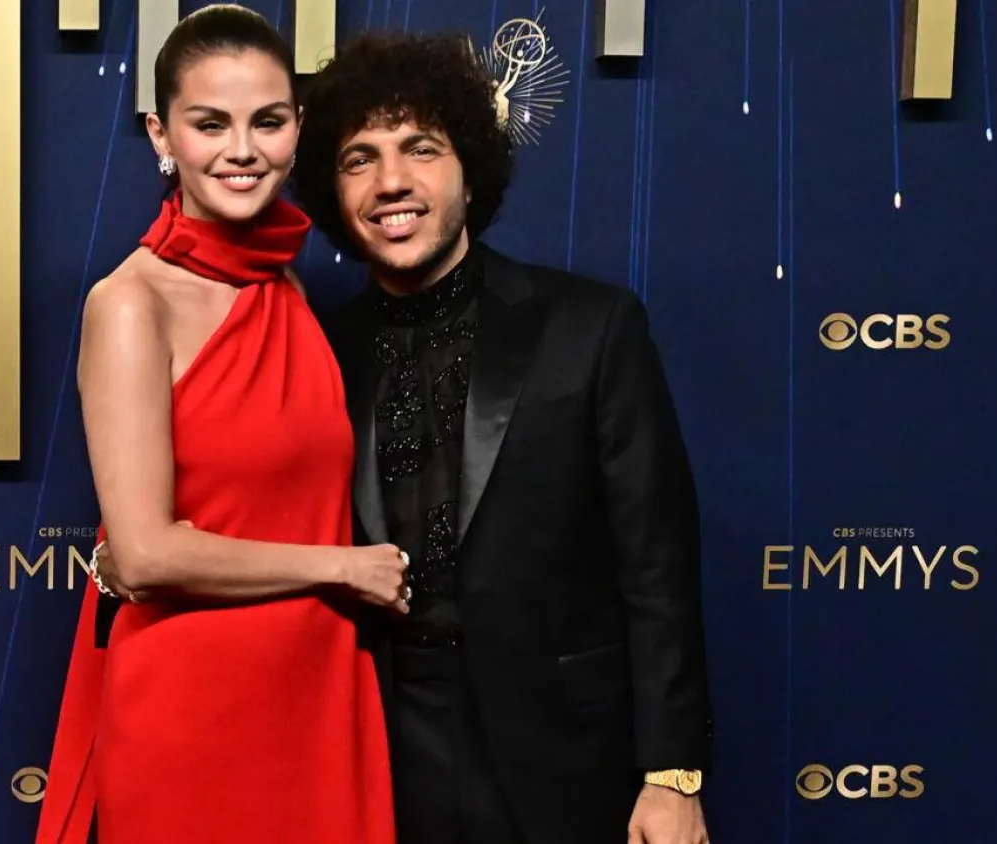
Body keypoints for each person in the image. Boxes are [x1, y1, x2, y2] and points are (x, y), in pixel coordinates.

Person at [288, 31, 715, 844]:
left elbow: (657, 566)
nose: (391, 183)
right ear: (330, 190)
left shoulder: (591, 327)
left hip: (563, 753)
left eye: (421, 147)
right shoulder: (314, 349)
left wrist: (671, 775)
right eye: (359, 158)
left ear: (469, 168)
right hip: (374, 748)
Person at [35, 7, 404, 843]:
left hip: (315, 690)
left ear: (297, 129)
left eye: (267, 121)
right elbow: (145, 553)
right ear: (163, 134)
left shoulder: (285, 290)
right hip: (196, 704)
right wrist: (343, 568)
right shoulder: (130, 304)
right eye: (211, 123)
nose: (243, 150)